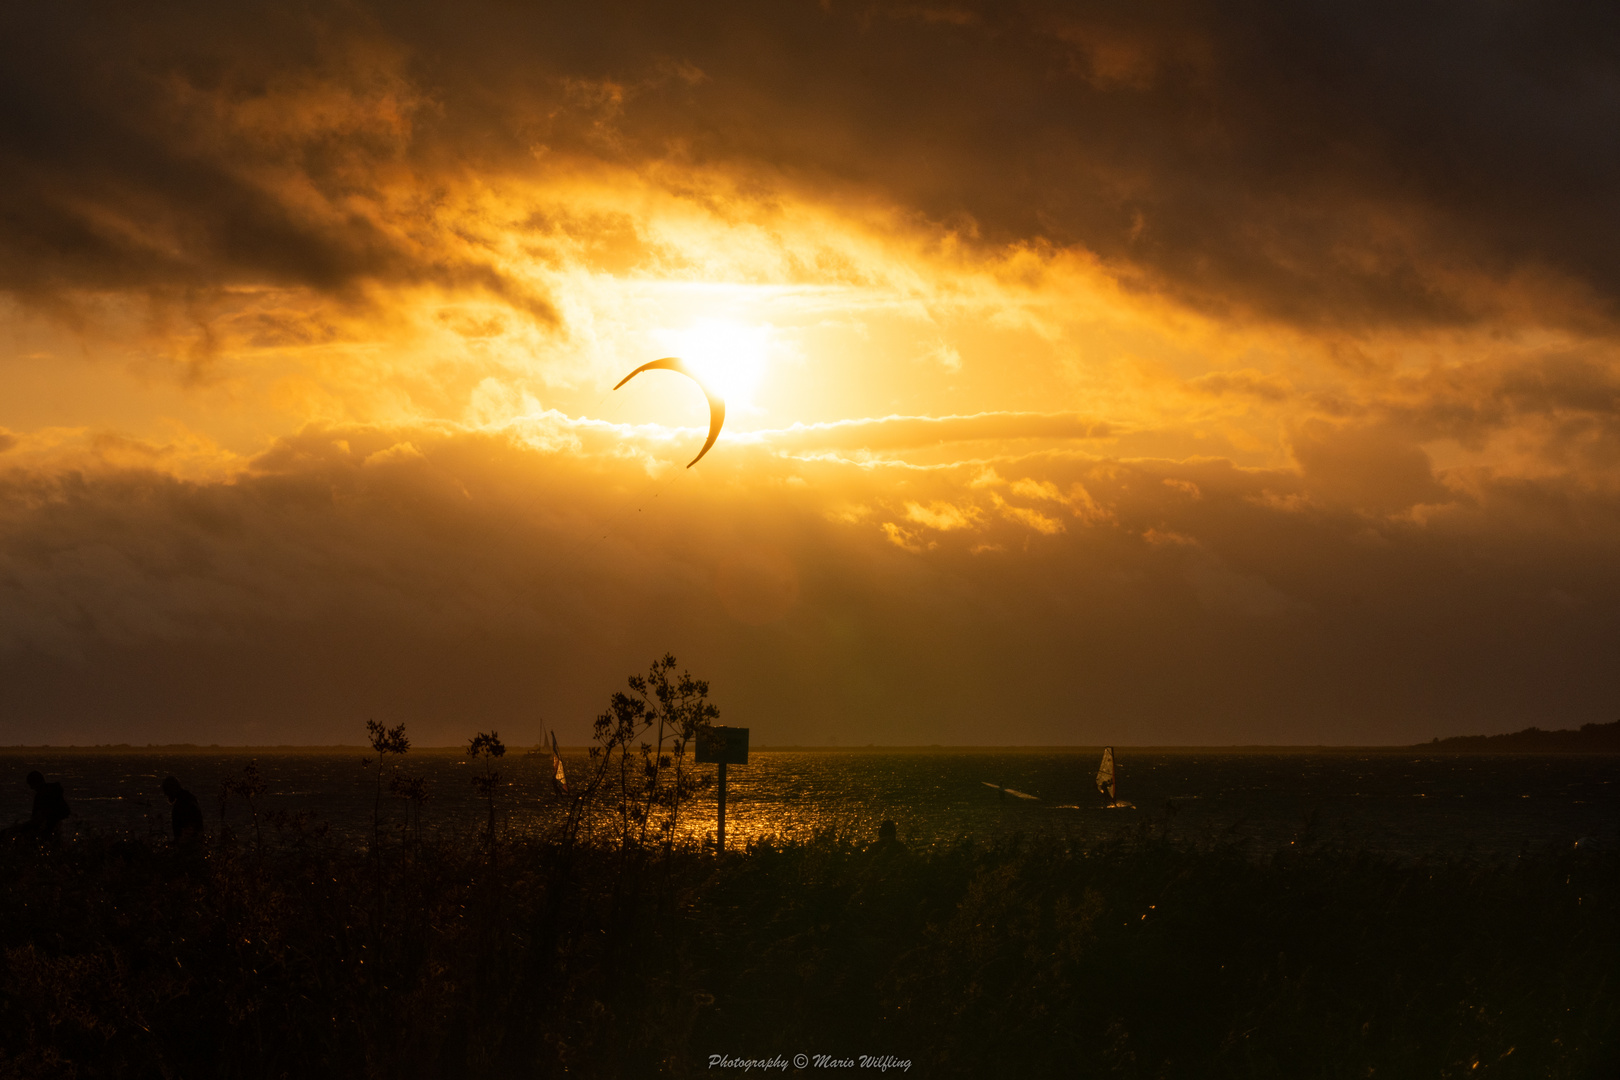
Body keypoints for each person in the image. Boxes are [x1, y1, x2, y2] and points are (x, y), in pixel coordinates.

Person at [24, 771, 70, 842]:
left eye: (31, 784)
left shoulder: (41, 795)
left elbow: (36, 816)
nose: (31, 788)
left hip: (50, 826)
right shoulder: (54, 790)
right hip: (58, 825)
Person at [162, 776, 204, 842]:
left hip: (188, 843)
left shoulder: (180, 805)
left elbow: (179, 832)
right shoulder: (190, 798)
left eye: (166, 791)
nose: (165, 794)